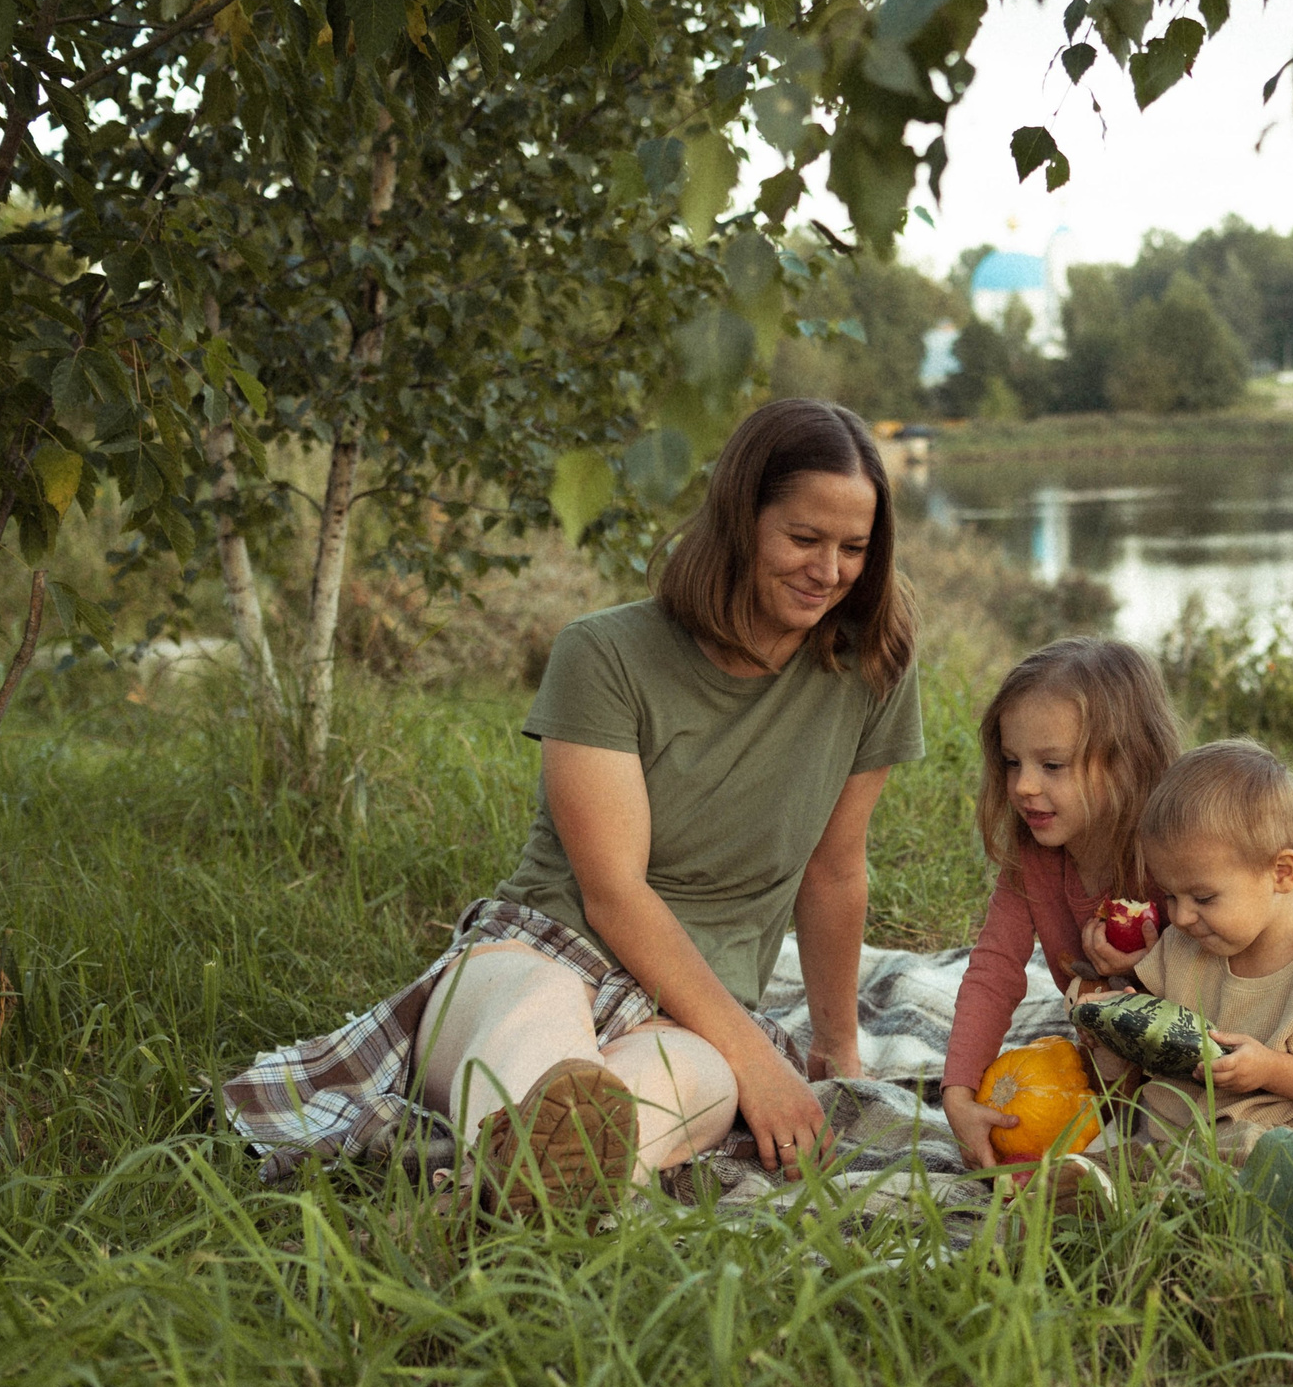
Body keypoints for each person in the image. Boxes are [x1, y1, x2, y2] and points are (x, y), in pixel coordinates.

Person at [220, 399, 924, 1213]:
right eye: (804, 538)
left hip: (696, 1014)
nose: (829, 570)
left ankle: (500, 1196)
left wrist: (835, 1047)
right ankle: (530, 1171)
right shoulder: (606, 652)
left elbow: (834, 871)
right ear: (740, 521)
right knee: (546, 1034)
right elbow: (612, 893)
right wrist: (761, 1062)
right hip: (546, 952)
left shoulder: (870, 666)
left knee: (690, 1081)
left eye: (854, 548)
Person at [939, 638, 1181, 1168]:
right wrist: (958, 1092)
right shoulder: (1034, 857)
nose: (1024, 785)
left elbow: (1228, 975)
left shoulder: (1173, 856)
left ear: (1128, 763)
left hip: (1205, 1075)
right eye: (1012, 762)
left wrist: (1153, 967)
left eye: (1052, 765)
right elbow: (994, 970)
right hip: (1112, 1068)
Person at [1118, 739, 1293, 1162]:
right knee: (1116, 1142)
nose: (1181, 916)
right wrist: (1127, 1009)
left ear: (1281, 873)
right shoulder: (1187, 940)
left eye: (1203, 898)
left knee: (1260, 1154)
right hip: (1185, 1125)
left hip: (1290, 1130)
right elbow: (1157, 1009)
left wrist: (1269, 1069)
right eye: (1170, 895)